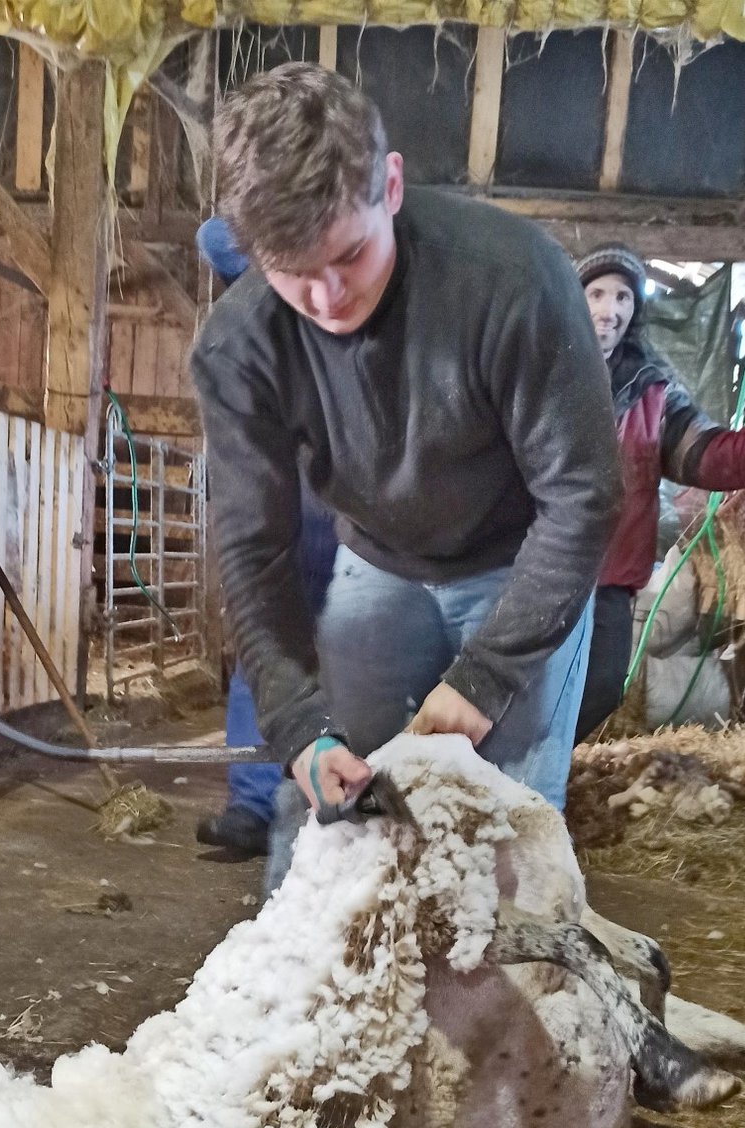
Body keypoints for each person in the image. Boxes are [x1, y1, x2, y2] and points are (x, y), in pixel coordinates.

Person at [191, 63, 622, 891]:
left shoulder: (513, 281)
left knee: (512, 816)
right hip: (378, 561)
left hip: (518, 557)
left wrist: (484, 677)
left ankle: (514, 1004)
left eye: (347, 256)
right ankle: (309, 997)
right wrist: (298, 729)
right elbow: (254, 551)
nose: (323, 296)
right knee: (331, 803)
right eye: (289, 270)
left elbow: (583, 494)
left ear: (389, 185)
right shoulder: (240, 346)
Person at [575, 244, 745, 741]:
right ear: (572, 300)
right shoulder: (540, 371)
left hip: (609, 577)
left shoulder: (651, 389)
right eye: (597, 293)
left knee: (600, 689)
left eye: (623, 297)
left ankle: (555, 780)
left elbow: (706, 454)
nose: (610, 309)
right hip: (536, 566)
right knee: (524, 686)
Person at [193, 217, 338, 856]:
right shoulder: (243, 330)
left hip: (342, 508)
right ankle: (253, 803)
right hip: (277, 502)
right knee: (265, 646)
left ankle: (320, 798)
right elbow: (214, 235)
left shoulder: (337, 292)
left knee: (352, 647)